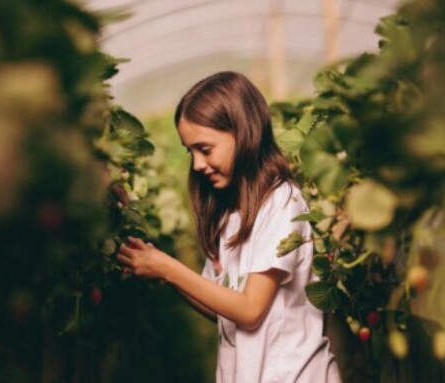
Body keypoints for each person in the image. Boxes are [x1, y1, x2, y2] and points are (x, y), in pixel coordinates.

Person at [117, 71, 341, 383]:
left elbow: (250, 310)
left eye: (205, 149)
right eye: (190, 151)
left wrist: (168, 268)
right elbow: (224, 309)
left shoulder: (282, 202)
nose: (196, 164)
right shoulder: (228, 213)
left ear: (243, 133)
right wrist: (165, 274)